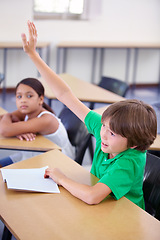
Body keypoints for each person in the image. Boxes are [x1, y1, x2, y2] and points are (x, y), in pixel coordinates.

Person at [21, 21, 157, 207]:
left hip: (123, 220)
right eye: (104, 127)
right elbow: (65, 95)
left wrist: (61, 178)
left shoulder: (128, 161)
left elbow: (93, 196)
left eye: (112, 133)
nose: (102, 135)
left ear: (133, 144)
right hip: (101, 209)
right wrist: (33, 55)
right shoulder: (108, 134)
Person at [0, 78, 75, 167]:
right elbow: (5, 126)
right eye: (19, 96)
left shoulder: (46, 119)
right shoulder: (26, 111)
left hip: (57, 164)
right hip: (34, 155)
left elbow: (5, 130)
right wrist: (16, 131)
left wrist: (8, 118)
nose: (23, 100)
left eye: (29, 96)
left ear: (41, 99)